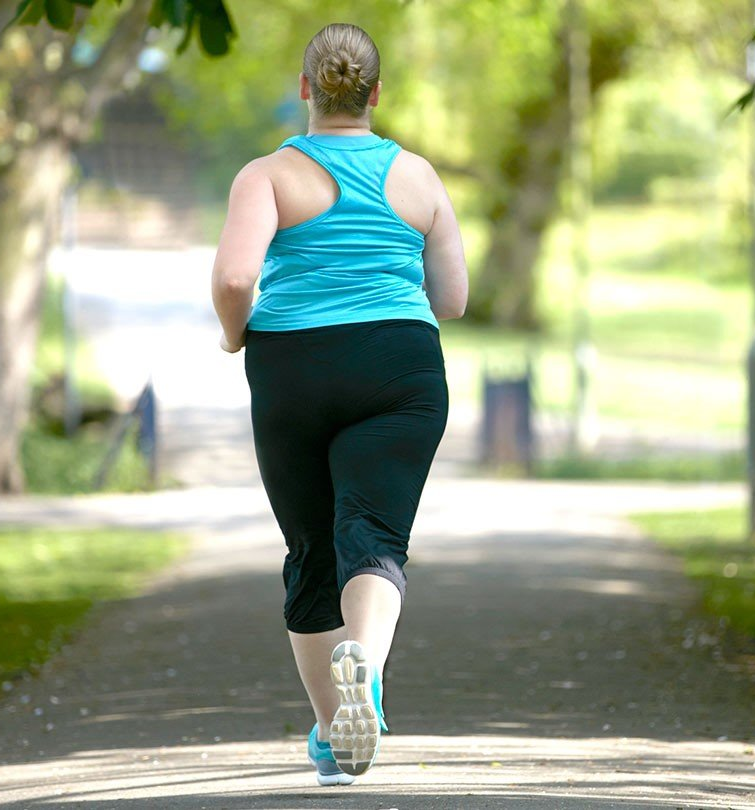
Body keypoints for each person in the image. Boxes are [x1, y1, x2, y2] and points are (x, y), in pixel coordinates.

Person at [208, 22, 468, 786]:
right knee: (375, 534)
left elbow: (232, 281)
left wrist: (234, 338)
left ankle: (331, 733)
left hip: (294, 367)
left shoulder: (268, 175)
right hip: (401, 368)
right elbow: (451, 298)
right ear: (376, 95)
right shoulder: (418, 176)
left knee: (312, 548)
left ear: (305, 91)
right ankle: (369, 662)